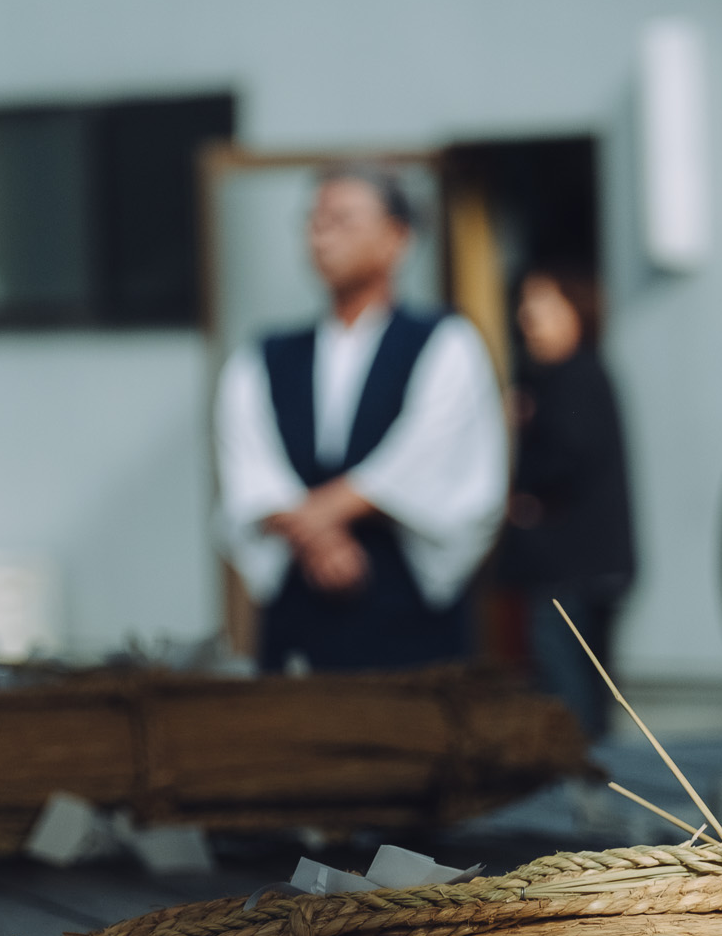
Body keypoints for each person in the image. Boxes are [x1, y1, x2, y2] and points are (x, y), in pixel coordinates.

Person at [215, 166, 507, 672]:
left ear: (397, 237)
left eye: (342, 220)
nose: (321, 236)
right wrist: (320, 537)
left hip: (404, 599)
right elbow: (249, 466)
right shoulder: (263, 356)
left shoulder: (445, 343)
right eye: (313, 221)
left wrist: (314, 515)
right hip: (299, 598)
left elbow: (428, 456)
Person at [496, 265, 637, 739]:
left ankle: (581, 782)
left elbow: (566, 459)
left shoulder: (569, 379)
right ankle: (593, 781)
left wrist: (524, 494)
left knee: (568, 684)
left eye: (540, 308)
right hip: (592, 561)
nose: (527, 319)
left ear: (574, 312)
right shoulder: (579, 376)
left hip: (572, 564)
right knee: (587, 683)